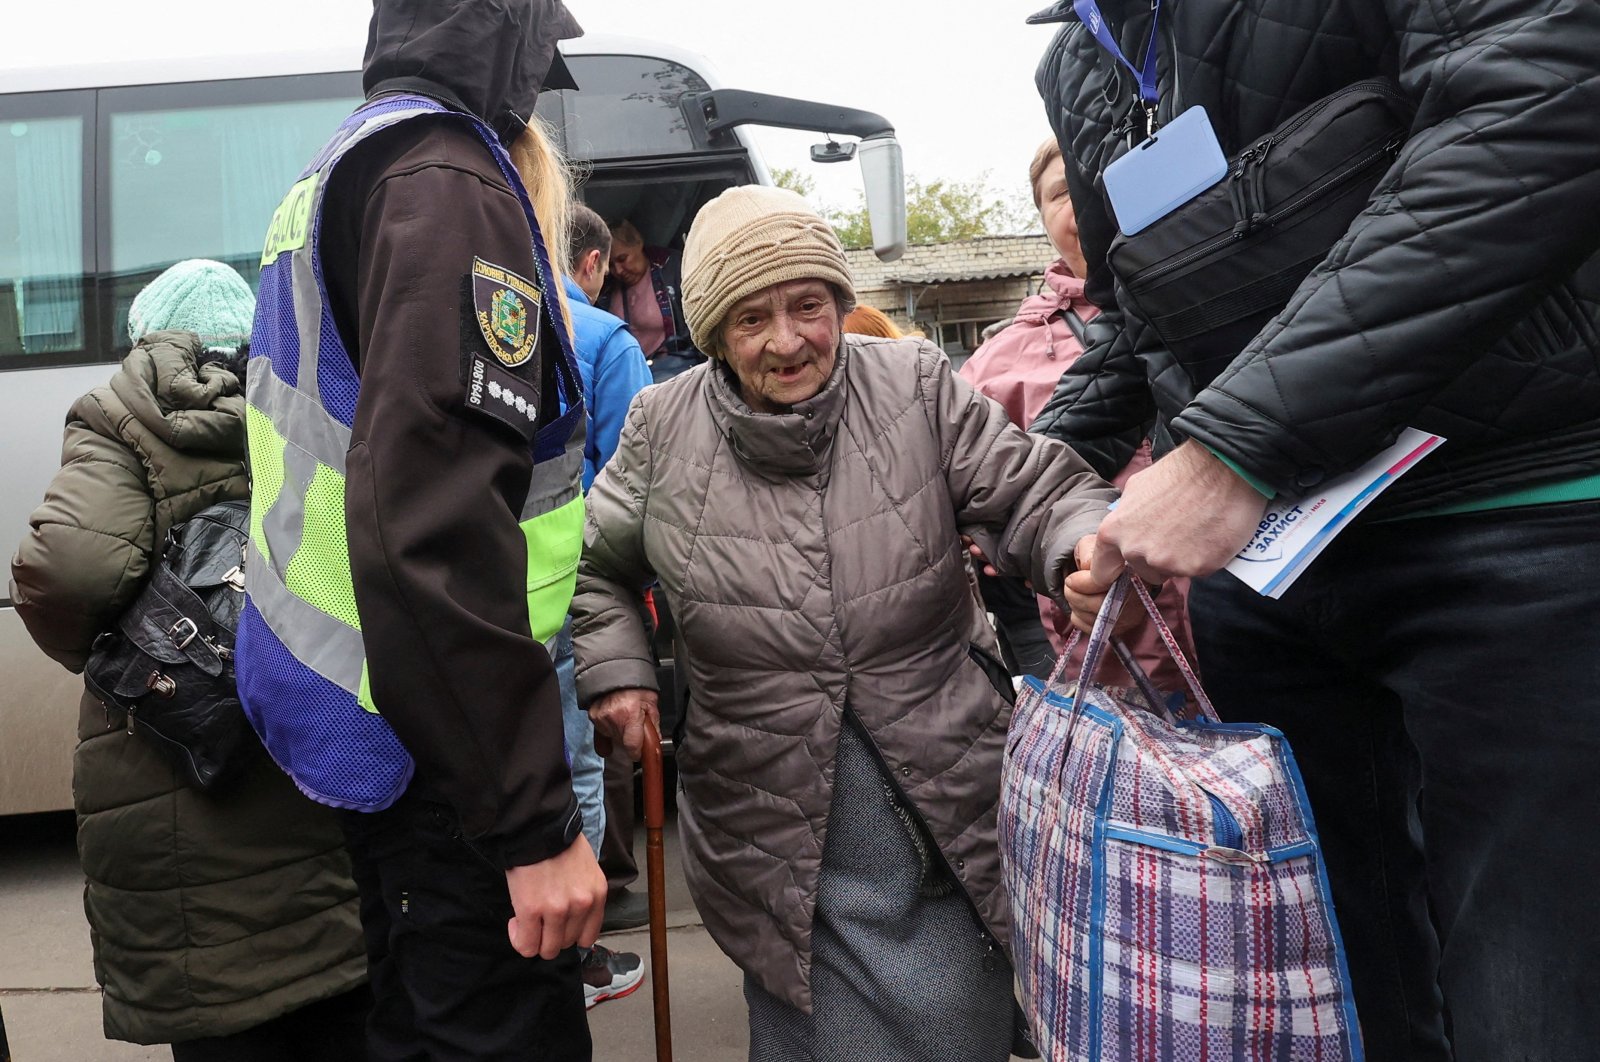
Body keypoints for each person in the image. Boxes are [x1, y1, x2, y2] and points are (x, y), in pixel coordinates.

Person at [1030, 0, 1600, 1058]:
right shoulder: (1076, 59)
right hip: (1279, 574)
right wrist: (1019, 488)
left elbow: (1542, 104)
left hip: (1513, 520)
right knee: (1330, 1001)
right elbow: (1135, 322)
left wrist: (1233, 445)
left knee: (1532, 1008)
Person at [572, 185, 1118, 1060]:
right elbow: (593, 567)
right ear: (713, 334)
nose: (787, 341)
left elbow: (1035, 491)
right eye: (751, 318)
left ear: (838, 303)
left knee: (956, 1018)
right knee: (808, 1018)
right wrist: (619, 670)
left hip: (939, 785)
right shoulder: (661, 427)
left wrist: (1078, 546)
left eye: (807, 306)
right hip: (767, 806)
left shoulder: (912, 385)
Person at [234, 1, 608, 1058]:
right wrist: (531, 826)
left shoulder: (343, 170)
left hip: (379, 723)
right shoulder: (443, 179)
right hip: (447, 762)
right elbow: (429, 529)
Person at [9, 260, 368, 1060]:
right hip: (308, 748)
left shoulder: (120, 419)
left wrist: (120, 651)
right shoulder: (297, 403)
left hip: (178, 774)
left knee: (227, 1016)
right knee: (335, 997)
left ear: (147, 339)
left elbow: (63, 574)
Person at [960, 137, 1193, 690]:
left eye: (1095, 187)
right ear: (1042, 219)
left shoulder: (1207, 311)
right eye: (1062, 193)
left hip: (1239, 623)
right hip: (1095, 655)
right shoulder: (995, 363)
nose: (1083, 206)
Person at [557, 201, 651, 1006]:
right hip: (579, 575)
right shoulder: (604, 339)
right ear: (591, 264)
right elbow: (635, 471)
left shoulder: (489, 311)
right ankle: (580, 956)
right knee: (585, 755)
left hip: (494, 581)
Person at [601, 218, 703, 382]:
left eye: (622, 259)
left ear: (638, 243)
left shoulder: (673, 269)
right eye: (611, 265)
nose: (618, 270)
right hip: (628, 374)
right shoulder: (605, 289)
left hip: (674, 372)